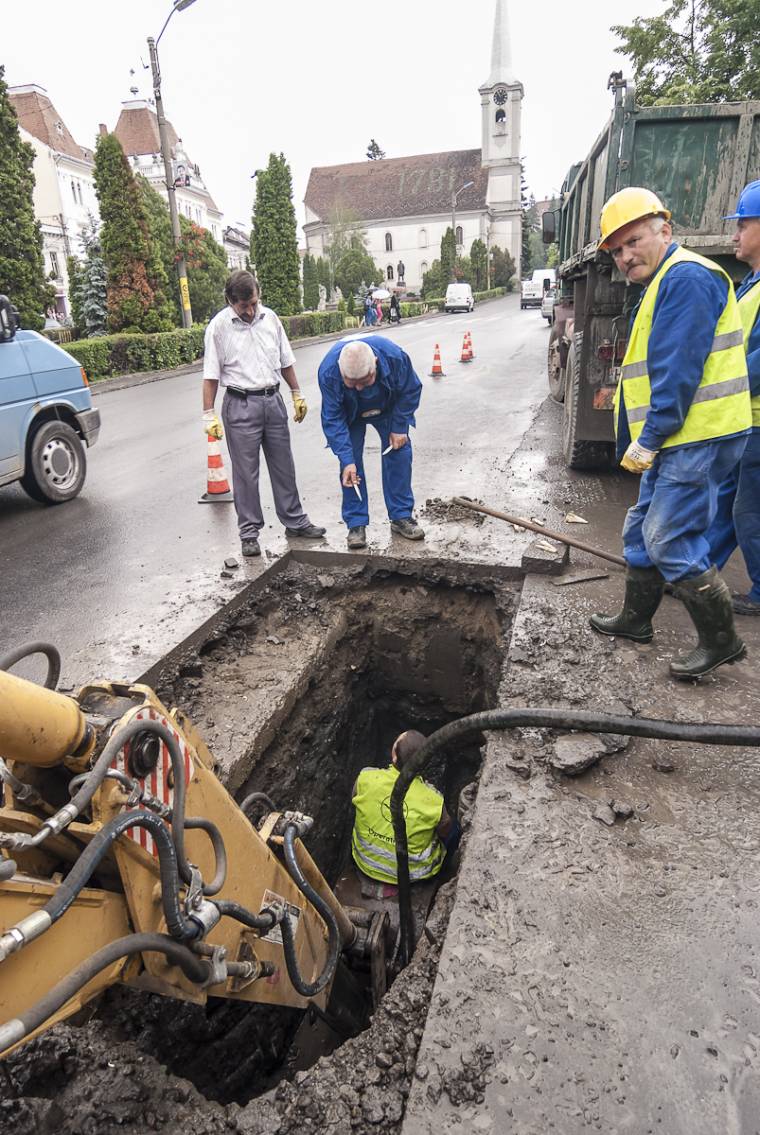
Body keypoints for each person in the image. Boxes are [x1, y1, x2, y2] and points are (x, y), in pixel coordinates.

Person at [589, 187, 751, 680]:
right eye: (616, 250)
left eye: (633, 241)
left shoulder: (686, 279)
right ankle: (636, 621)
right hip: (682, 435)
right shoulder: (664, 281)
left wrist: (651, 437)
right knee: (642, 526)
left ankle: (722, 643)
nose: (624, 256)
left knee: (669, 537)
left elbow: (677, 371)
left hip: (695, 435)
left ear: (665, 230)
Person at [202, 270, 325, 558]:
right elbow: (210, 374)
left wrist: (296, 393)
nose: (251, 310)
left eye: (254, 303)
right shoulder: (219, 328)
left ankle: (294, 521)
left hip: (273, 400)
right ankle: (249, 533)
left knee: (284, 465)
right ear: (231, 301)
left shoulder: (270, 319)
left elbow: (285, 360)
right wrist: (208, 414)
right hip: (240, 404)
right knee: (246, 474)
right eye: (244, 305)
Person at [706, 180, 760, 615]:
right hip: (742, 418)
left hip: (756, 417)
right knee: (726, 498)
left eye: (742, 225)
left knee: (748, 510)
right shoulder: (750, 283)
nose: (734, 235)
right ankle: (698, 573)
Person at [318, 336, 425, 549]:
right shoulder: (329, 372)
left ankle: (401, 516)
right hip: (351, 413)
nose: (358, 388)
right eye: (352, 383)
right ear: (340, 370)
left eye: (364, 381)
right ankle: (356, 523)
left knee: (399, 453)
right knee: (350, 467)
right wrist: (346, 459)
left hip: (387, 407)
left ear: (375, 363)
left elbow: (411, 389)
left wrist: (399, 427)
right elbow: (332, 418)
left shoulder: (394, 357)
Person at [351, 730, 457, 885]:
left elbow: (354, 802)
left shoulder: (365, 779)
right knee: (454, 829)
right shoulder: (434, 800)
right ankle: (449, 872)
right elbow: (445, 832)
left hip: (365, 864)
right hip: (414, 876)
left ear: (394, 755)